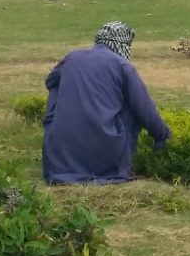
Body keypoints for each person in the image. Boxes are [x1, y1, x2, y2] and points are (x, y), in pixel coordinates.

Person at [42, 21, 171, 184]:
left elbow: (51, 82)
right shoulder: (121, 65)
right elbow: (143, 108)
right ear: (122, 44)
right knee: (129, 105)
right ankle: (113, 167)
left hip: (59, 156)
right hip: (105, 154)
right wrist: (162, 135)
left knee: (62, 93)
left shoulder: (72, 58)